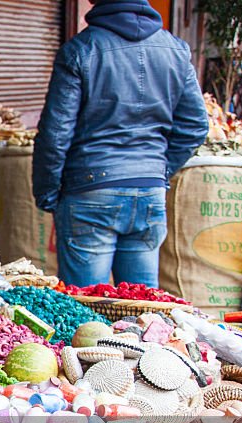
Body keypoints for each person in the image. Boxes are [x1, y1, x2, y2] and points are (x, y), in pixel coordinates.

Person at [32, 0, 209, 288]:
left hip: (89, 191)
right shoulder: (176, 50)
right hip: (148, 192)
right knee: (142, 312)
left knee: (86, 309)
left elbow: (55, 133)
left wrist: (48, 192)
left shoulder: (80, 50)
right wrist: (157, 170)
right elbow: (195, 125)